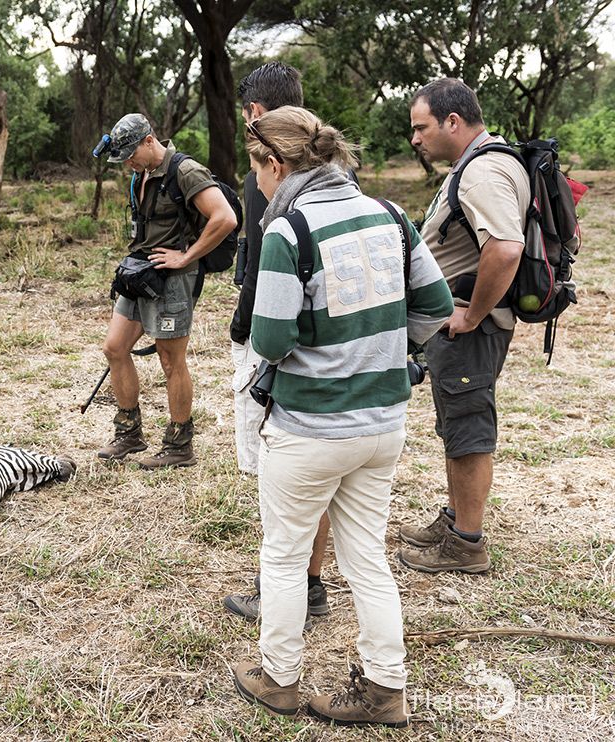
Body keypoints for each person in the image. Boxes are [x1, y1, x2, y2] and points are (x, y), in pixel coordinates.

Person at [230, 106, 453, 727]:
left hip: (309, 428)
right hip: (382, 423)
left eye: (257, 169)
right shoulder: (390, 215)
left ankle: (279, 678)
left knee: (283, 555)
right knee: (367, 559)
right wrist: (381, 350)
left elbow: (270, 340)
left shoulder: (288, 232)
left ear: (276, 165)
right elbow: (436, 305)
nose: (258, 182)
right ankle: (385, 688)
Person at [396, 78, 528, 574]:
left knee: (469, 428)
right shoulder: (482, 162)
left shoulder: (482, 172)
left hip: (470, 328)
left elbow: (505, 248)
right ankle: (454, 521)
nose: (415, 138)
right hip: (460, 327)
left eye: (421, 127)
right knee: (456, 424)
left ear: (452, 121)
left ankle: (466, 544)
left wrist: (470, 314)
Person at [222, 62, 333, 628]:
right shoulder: (332, 165)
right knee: (318, 481)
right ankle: (310, 583)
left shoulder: (268, 172)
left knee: (275, 469)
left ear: (255, 114)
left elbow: (265, 270)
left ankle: (280, 589)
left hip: (276, 337)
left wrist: (242, 331)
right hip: (331, 341)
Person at [96, 113, 238, 468]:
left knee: (170, 359)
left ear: (150, 140)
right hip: (141, 273)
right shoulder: (140, 174)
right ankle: (129, 433)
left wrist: (186, 256)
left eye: (131, 154)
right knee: (115, 347)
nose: (128, 163)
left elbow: (225, 218)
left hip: (174, 279)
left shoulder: (186, 171)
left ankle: (179, 445)